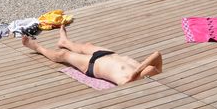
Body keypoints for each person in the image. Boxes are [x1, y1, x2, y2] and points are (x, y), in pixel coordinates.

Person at [21, 24, 162, 86]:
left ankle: (37, 47)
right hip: (109, 55)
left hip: (93, 65)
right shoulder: (155, 71)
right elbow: (157, 54)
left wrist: (137, 73)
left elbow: (131, 82)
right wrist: (138, 70)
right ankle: (65, 41)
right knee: (86, 46)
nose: (152, 68)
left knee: (63, 55)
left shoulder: (129, 82)